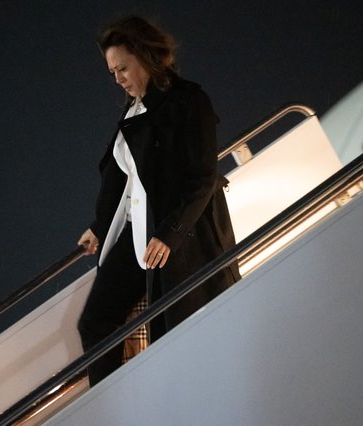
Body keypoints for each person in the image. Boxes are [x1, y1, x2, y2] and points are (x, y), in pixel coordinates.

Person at [76, 15, 240, 386]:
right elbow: (122, 177)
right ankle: (112, 401)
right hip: (137, 233)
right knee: (95, 320)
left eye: (122, 68)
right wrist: (99, 227)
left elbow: (202, 178)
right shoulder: (133, 110)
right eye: (112, 71)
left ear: (146, 57)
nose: (117, 78)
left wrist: (170, 232)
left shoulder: (189, 100)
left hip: (177, 236)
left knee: (176, 333)